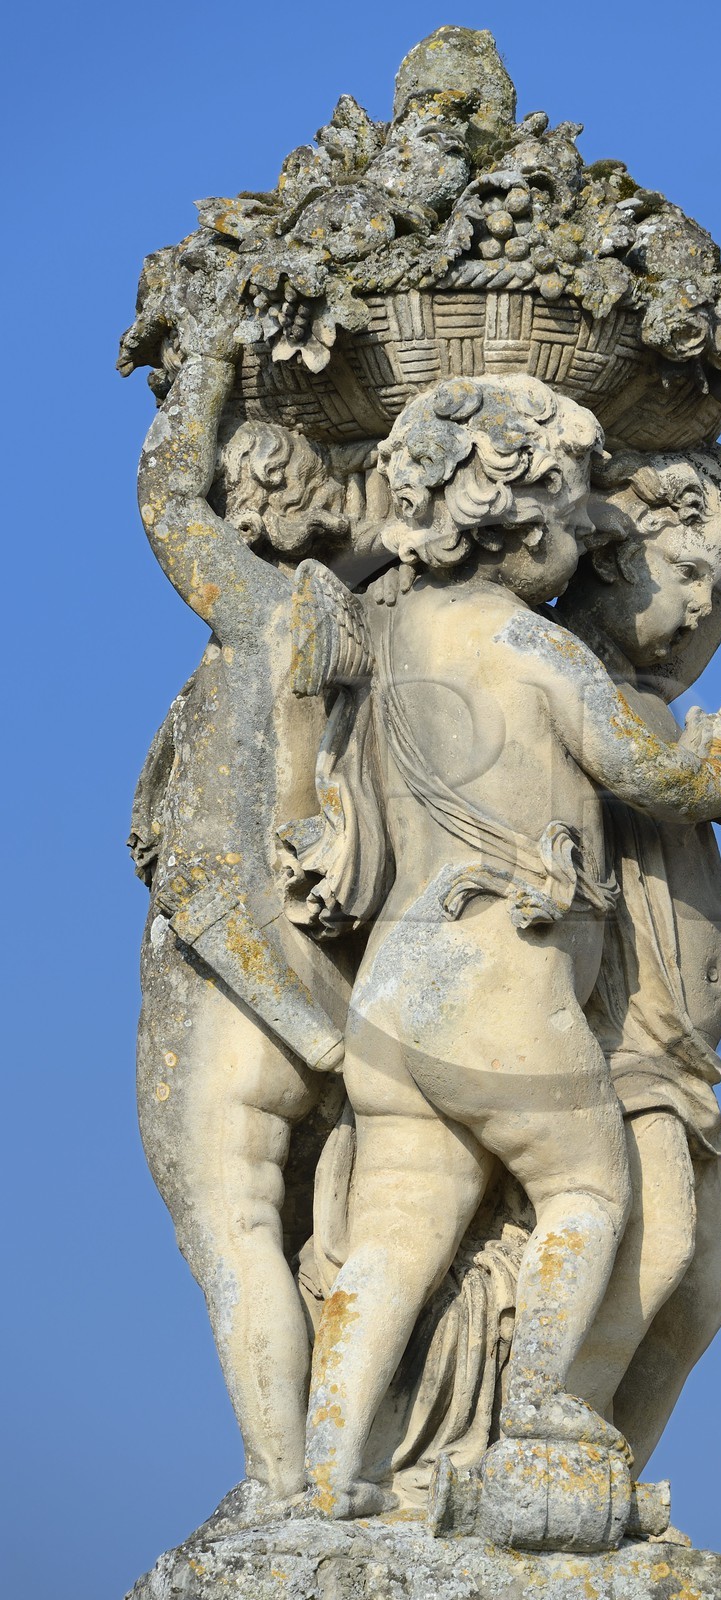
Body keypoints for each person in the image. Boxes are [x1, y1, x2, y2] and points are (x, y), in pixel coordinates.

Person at [299, 376, 721, 1517]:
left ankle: (325, 1470)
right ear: (512, 523)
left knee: (393, 1239)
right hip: (502, 986)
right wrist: (716, 770)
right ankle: (543, 1404)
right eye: (568, 520)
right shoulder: (532, 647)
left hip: (397, 1000)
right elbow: (643, 770)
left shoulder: (399, 631)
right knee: (587, 1187)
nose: (580, 544)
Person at [133, 292, 393, 1524]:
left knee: (229, 1222)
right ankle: (342, 1458)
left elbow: (162, 504)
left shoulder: (267, 613)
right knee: (303, 1231)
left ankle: (284, 1483)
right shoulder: (362, 628)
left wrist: (209, 356)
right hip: (329, 982)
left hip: (238, 986)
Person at [555, 444, 721, 1474]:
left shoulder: (651, 703)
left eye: (720, 597)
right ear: (610, 557)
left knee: (700, 1299)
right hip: (617, 1033)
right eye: (684, 579)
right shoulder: (571, 681)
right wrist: (713, 772)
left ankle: (603, 1467)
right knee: (661, 1249)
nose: (700, 614)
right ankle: (545, 1439)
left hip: (685, 1054)